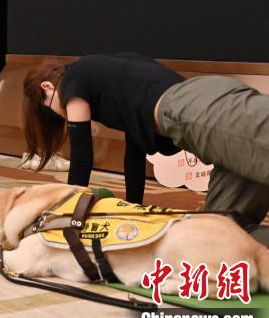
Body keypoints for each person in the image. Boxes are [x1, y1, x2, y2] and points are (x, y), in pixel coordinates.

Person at [23, 52, 269, 246]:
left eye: (49, 109)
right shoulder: (116, 77)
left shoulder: (73, 79)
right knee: (219, 233)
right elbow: (135, 155)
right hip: (202, 106)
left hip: (199, 108)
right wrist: (133, 209)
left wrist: (67, 216)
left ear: (47, 87)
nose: (60, 114)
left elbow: (82, 158)